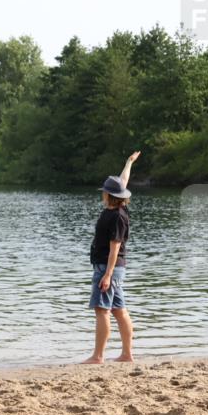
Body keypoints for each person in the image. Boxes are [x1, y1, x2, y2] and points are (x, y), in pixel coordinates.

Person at [82, 151, 141, 364]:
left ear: (109, 195)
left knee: (102, 310)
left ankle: (98, 356)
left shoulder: (116, 217)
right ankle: (127, 354)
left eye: (105, 192)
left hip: (108, 267)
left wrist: (106, 275)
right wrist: (128, 163)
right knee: (118, 310)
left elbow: (115, 247)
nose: (103, 194)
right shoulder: (119, 208)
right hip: (114, 269)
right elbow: (122, 180)